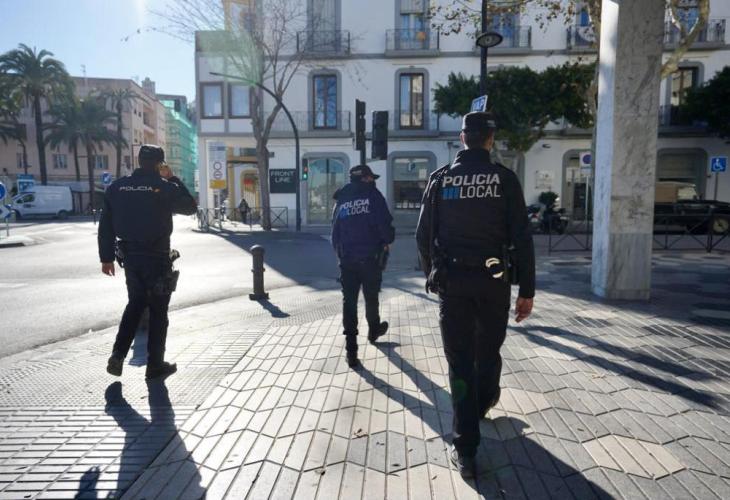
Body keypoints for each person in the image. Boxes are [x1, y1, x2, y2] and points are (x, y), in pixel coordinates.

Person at [416, 112, 535, 477]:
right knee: (488, 349)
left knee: (460, 362)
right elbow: (522, 239)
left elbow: (423, 236)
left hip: (453, 282)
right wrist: (527, 291)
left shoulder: (440, 180)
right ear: (490, 140)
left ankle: (466, 450)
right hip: (494, 282)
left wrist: (432, 274)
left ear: (462, 138)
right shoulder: (504, 179)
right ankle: (484, 401)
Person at [98, 144, 198, 380]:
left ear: (139, 161)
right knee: (158, 311)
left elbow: (106, 226)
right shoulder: (163, 186)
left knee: (135, 304)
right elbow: (190, 207)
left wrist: (106, 258)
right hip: (157, 257)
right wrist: (172, 178)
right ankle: (155, 365)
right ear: (159, 164)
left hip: (131, 258)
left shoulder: (117, 187)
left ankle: (118, 355)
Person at [332, 164, 395, 368]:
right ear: (365, 179)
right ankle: (374, 330)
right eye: (371, 178)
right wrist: (387, 240)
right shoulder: (373, 196)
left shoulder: (342, 199)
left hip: (347, 260)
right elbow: (385, 226)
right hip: (370, 259)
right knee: (371, 297)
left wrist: (341, 255)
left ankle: (351, 352)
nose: (373, 181)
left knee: (349, 303)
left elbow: (335, 231)